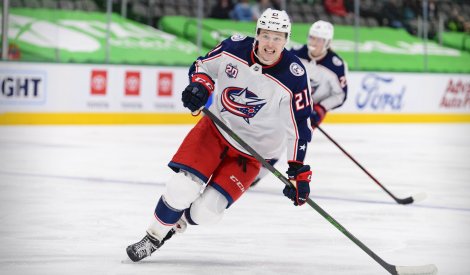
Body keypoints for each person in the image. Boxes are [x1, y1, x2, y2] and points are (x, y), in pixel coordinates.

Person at [126, 8, 314, 262]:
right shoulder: (233, 48)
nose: (271, 43)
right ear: (257, 34)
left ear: (286, 40)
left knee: (207, 213)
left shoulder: (294, 76)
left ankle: (177, 222)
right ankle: (153, 237)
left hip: (252, 154)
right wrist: (200, 85)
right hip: (215, 131)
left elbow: (299, 126)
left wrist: (298, 171)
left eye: (278, 38)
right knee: (181, 188)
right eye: (267, 36)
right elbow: (202, 65)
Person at [252, 20, 348, 186]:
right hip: (287, 105)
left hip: (311, 114)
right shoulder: (294, 55)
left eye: (319, 40)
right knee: (266, 134)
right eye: (312, 38)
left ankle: (257, 174)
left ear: (328, 43)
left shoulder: (337, 66)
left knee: (287, 140)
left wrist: (321, 108)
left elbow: (340, 95)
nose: (314, 43)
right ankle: (248, 166)